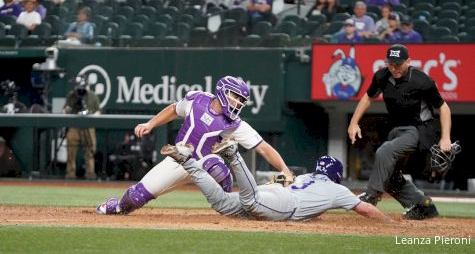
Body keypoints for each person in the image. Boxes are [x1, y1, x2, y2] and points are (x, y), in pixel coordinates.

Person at [96, 76, 293, 215]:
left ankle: (233, 210)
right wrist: (150, 124)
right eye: (235, 96)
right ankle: (119, 206)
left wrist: (284, 169)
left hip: (203, 164)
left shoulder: (234, 124)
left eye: (241, 100)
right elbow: (174, 109)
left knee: (217, 166)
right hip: (178, 160)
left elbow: (263, 147)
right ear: (223, 92)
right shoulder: (197, 99)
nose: (238, 103)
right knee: (136, 198)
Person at [159, 140, 393, 222]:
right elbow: (366, 209)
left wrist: (270, 183)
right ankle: (233, 154)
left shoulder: (305, 177)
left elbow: (280, 180)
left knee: (221, 203)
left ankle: (186, 160)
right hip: (283, 205)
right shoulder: (338, 189)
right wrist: (389, 223)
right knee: (251, 200)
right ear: (336, 175)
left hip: (274, 193)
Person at [347, 44, 453, 220]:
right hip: (397, 130)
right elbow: (367, 98)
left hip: (419, 129)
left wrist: (446, 137)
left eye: (398, 64)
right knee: (389, 177)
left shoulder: (421, 81)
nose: (394, 68)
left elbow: (444, 108)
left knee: (384, 151)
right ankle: (424, 206)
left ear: (408, 62)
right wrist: (353, 123)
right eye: (391, 64)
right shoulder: (382, 75)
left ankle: (371, 196)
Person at [63, 75, 101, 180]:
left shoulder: (92, 95)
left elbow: (98, 111)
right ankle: (70, 174)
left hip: (88, 126)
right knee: (71, 150)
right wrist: (70, 110)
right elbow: (65, 110)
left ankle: (90, 175)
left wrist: (91, 117)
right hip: (74, 125)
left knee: (90, 151)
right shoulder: (72, 95)